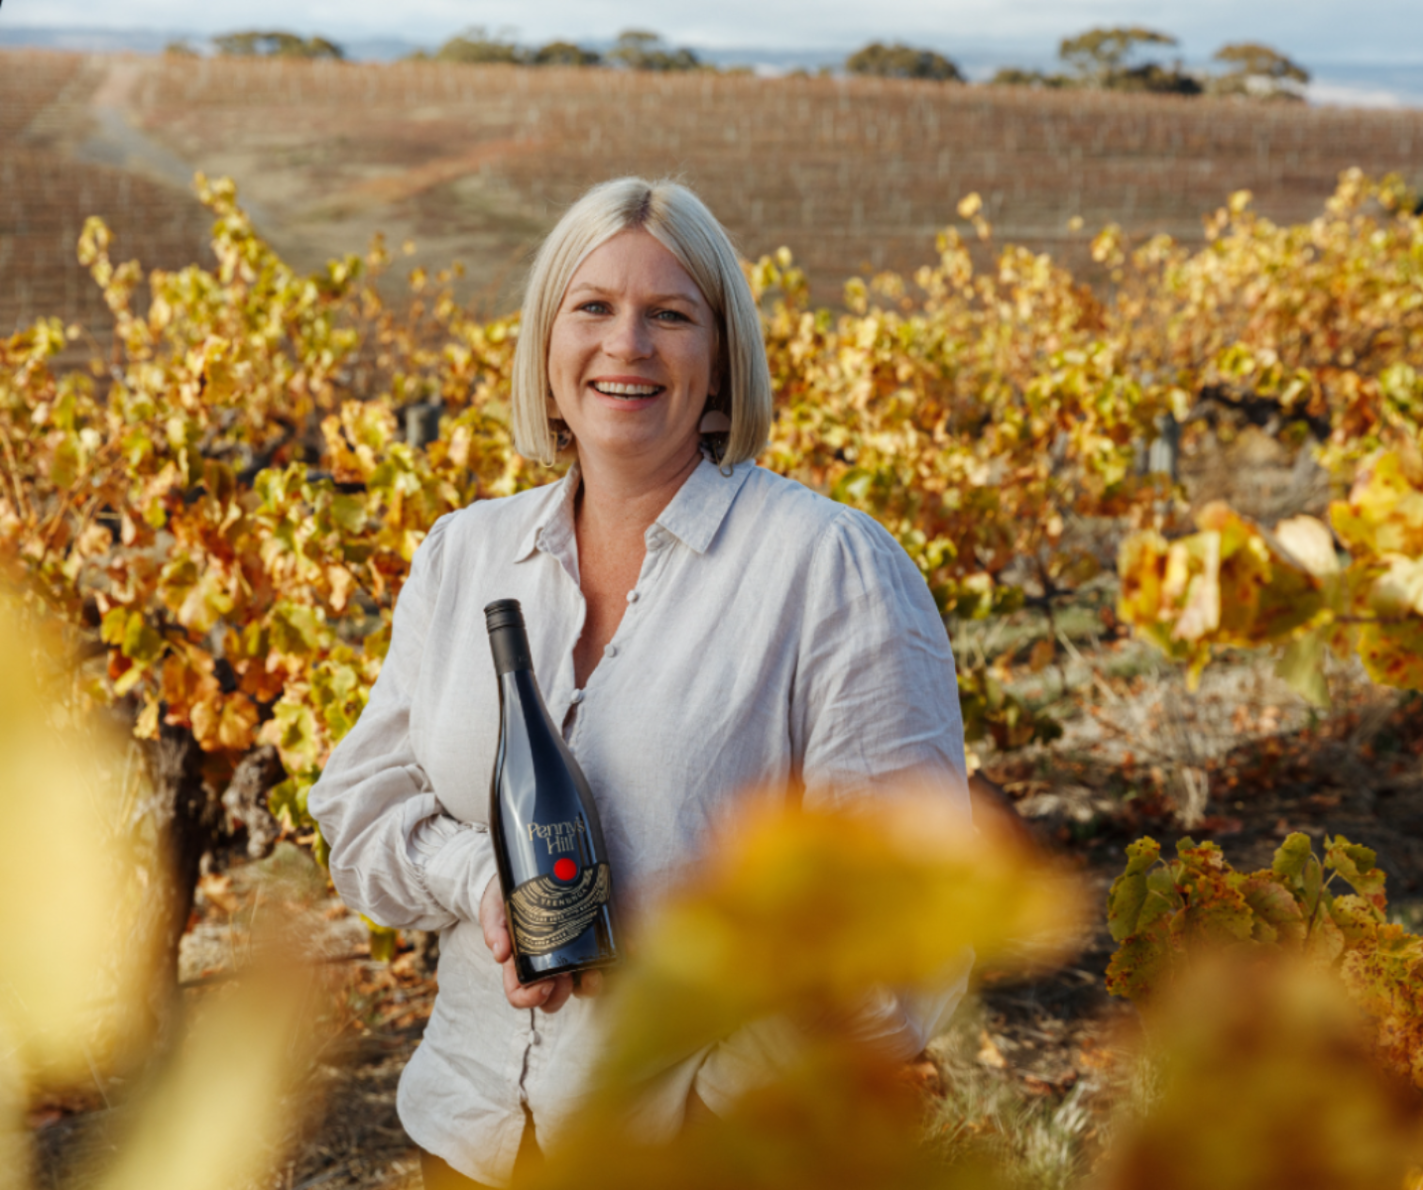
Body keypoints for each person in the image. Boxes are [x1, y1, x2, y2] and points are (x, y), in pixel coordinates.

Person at [309, 178, 972, 1188]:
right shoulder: (464, 555)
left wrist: (719, 1092)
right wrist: (482, 879)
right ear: (547, 344)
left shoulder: (826, 566)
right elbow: (361, 812)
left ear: (721, 362)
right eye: (594, 308)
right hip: (470, 1138)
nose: (627, 345)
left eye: (670, 314)